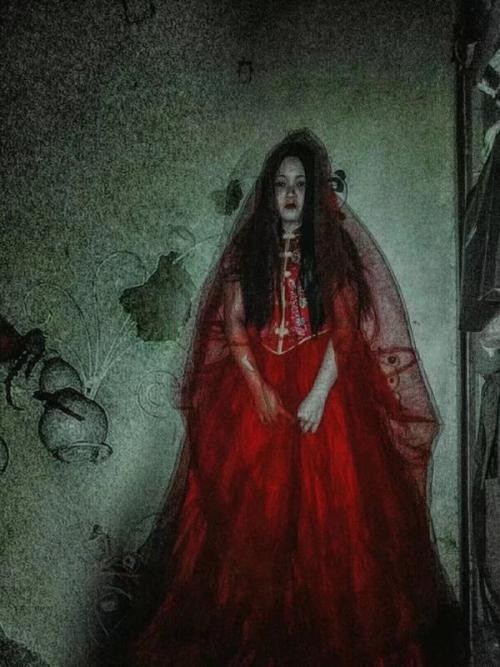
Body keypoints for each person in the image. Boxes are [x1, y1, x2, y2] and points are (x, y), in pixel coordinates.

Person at [123, 129, 464, 666]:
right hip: (257, 393)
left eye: (300, 184)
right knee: (254, 522)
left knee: (333, 520)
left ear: (314, 191)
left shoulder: (332, 251)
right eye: (281, 183)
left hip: (326, 392)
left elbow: (345, 330)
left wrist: (320, 393)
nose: (289, 194)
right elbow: (233, 326)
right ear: (269, 192)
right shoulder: (249, 254)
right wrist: (257, 387)